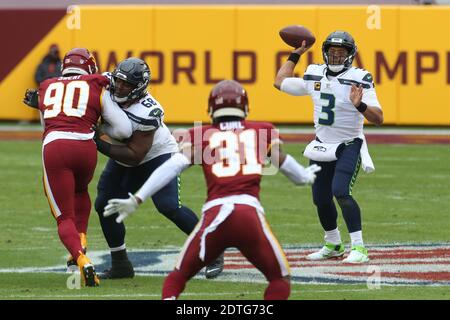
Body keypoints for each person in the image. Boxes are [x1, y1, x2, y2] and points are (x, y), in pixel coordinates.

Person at [103, 80, 321, 300]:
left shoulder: (200, 134)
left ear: (211, 109)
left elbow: (172, 166)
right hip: (248, 215)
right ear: (245, 107)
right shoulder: (261, 130)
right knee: (279, 280)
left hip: (214, 217)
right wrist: (305, 176)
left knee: (177, 278)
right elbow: (289, 168)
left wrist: (139, 197)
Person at [93, 57, 224, 280]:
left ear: (140, 87)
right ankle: (120, 264)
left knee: (168, 205)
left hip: (156, 155)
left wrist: (97, 142)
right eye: (119, 81)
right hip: (122, 155)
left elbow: (136, 155)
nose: (121, 86)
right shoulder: (104, 88)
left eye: (128, 84)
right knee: (104, 205)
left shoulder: (148, 110)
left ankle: (213, 251)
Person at [24, 48, 133, 286]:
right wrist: (98, 128)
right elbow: (124, 130)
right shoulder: (96, 84)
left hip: (56, 147)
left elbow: (47, 126)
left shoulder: (46, 85)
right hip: (86, 148)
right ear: (90, 67)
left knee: (63, 216)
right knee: (81, 192)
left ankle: (81, 258)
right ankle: (80, 244)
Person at [274, 31, 384, 263]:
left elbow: (378, 118)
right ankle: (333, 244)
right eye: (332, 52)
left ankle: (359, 248)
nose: (335, 56)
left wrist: (360, 104)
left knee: (341, 192)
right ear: (325, 53)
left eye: (340, 52)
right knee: (320, 198)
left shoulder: (359, 77)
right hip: (322, 145)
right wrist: (295, 54)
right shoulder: (315, 73)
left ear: (350, 55)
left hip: (349, 144)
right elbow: (280, 81)